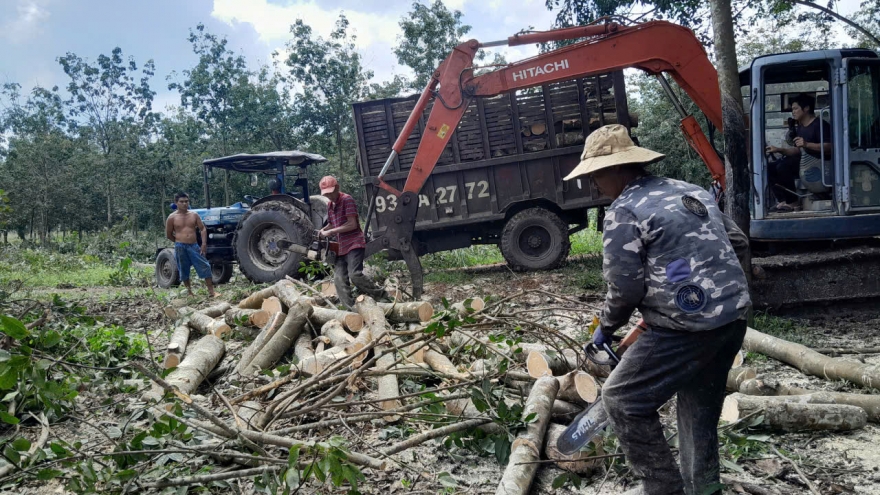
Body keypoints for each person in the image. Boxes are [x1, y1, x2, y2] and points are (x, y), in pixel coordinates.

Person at [564, 124, 751, 495]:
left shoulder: (624, 211)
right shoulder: (690, 191)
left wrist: (606, 327)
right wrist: (706, 287)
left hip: (685, 329)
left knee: (622, 399)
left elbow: (625, 287)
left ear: (617, 169)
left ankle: (664, 489)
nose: (595, 185)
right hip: (733, 319)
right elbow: (738, 241)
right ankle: (705, 488)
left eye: (597, 175)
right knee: (699, 409)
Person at [316, 176, 388, 309]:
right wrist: (323, 230)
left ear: (337, 188)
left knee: (355, 274)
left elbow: (352, 224)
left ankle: (382, 296)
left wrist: (330, 232)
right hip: (341, 246)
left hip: (354, 243)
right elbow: (332, 224)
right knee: (338, 279)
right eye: (326, 194)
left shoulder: (347, 200)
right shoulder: (330, 205)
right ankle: (350, 309)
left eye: (331, 192)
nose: (329, 196)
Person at [765, 93, 833, 208]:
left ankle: (793, 201)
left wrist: (807, 144)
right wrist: (779, 150)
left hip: (818, 163)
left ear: (806, 108)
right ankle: (783, 199)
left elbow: (829, 147)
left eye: (796, 108)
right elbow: (798, 150)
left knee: (783, 167)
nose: (793, 112)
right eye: (792, 109)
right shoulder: (801, 127)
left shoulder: (820, 125)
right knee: (769, 168)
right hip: (803, 160)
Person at [165, 192, 218, 298]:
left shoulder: (194, 215)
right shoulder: (172, 218)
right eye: (182, 202)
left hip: (194, 246)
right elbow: (169, 234)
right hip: (180, 247)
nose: (184, 204)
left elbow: (202, 229)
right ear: (176, 203)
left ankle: (212, 292)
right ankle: (189, 293)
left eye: (186, 201)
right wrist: (179, 241)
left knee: (205, 266)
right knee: (183, 269)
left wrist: (203, 244)